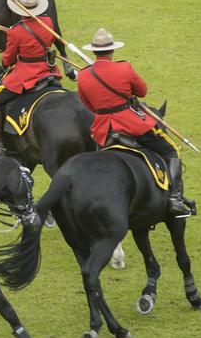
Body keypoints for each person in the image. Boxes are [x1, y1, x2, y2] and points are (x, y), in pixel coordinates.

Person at [77, 28, 193, 216]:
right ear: (112, 51)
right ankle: (174, 198)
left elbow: (88, 104)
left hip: (103, 130)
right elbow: (142, 91)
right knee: (171, 150)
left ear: (93, 51)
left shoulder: (83, 75)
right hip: (130, 124)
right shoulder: (124, 68)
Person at [0, 0, 61, 154]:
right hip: (48, 70)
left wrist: (5, 62)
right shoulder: (47, 22)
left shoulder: (16, 31)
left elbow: (8, 59)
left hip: (27, 74)